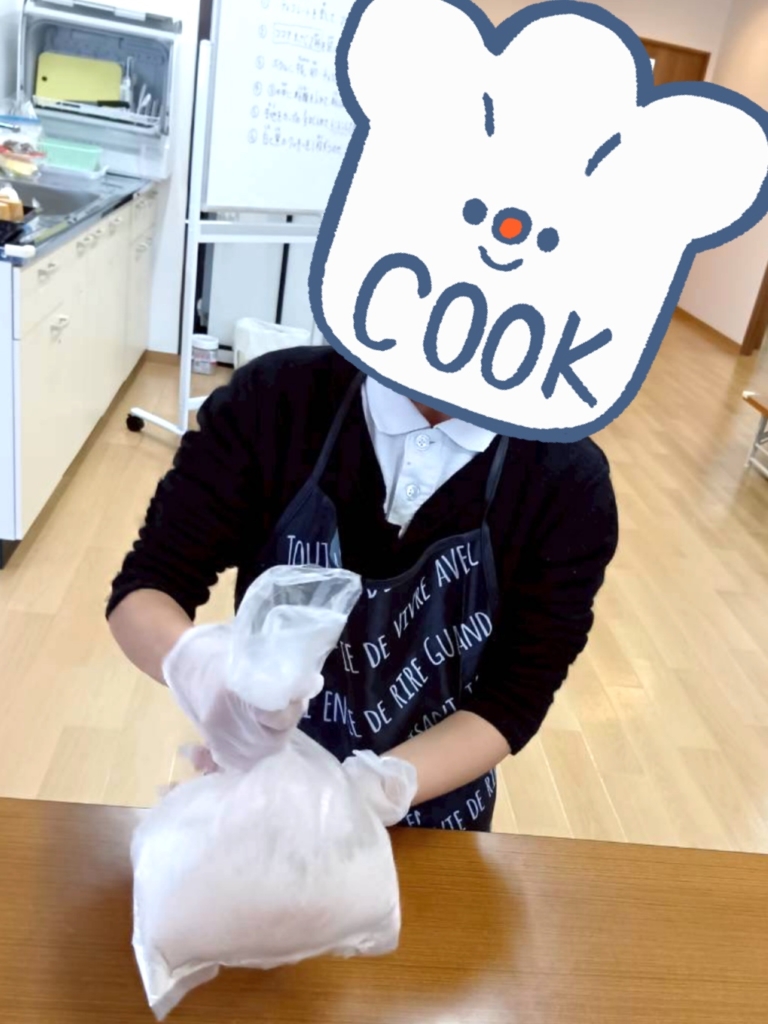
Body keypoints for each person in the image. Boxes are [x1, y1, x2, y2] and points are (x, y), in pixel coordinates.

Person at [107, 345, 618, 832]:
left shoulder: (567, 479)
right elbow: (148, 586)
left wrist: (371, 790)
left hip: (436, 819)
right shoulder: (276, 397)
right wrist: (210, 675)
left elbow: (513, 697)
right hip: (263, 804)